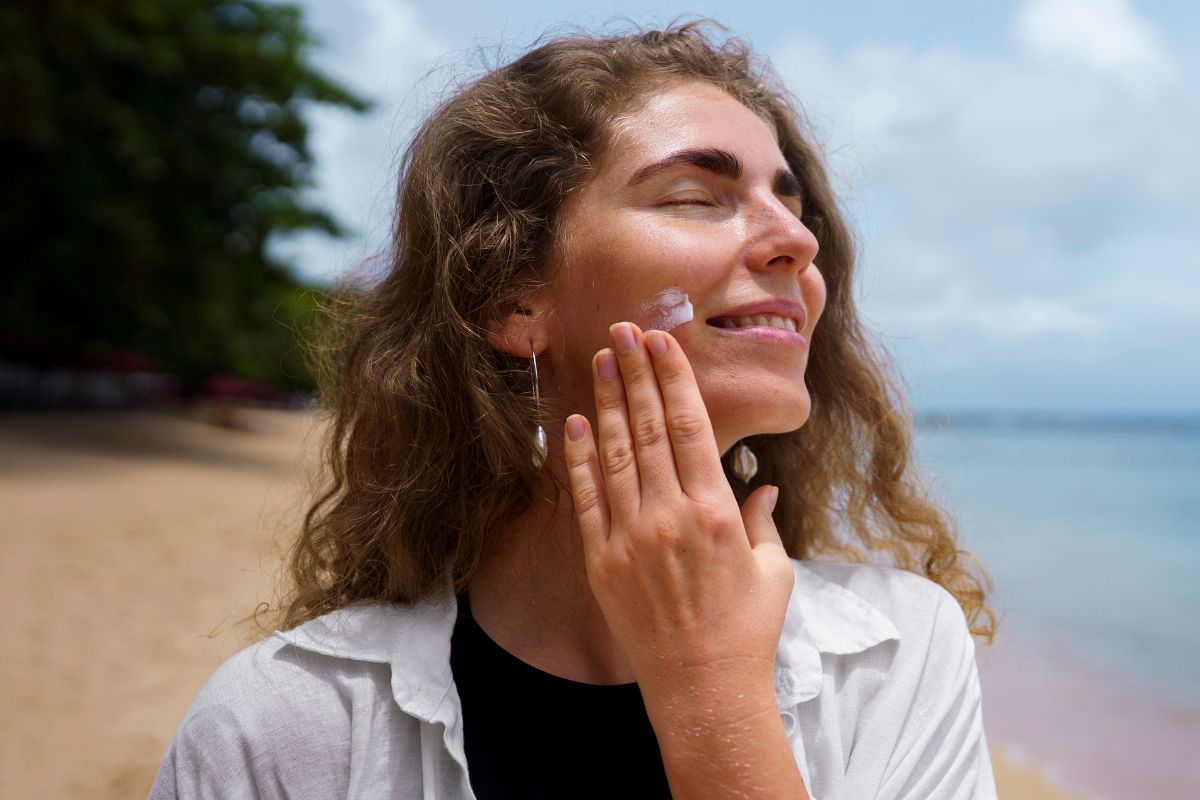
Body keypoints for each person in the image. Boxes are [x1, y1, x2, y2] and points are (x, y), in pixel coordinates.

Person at [150, 21, 998, 800]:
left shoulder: (896, 656)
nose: (799, 241)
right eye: (697, 196)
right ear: (512, 297)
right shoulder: (284, 722)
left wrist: (712, 695)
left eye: (795, 206)